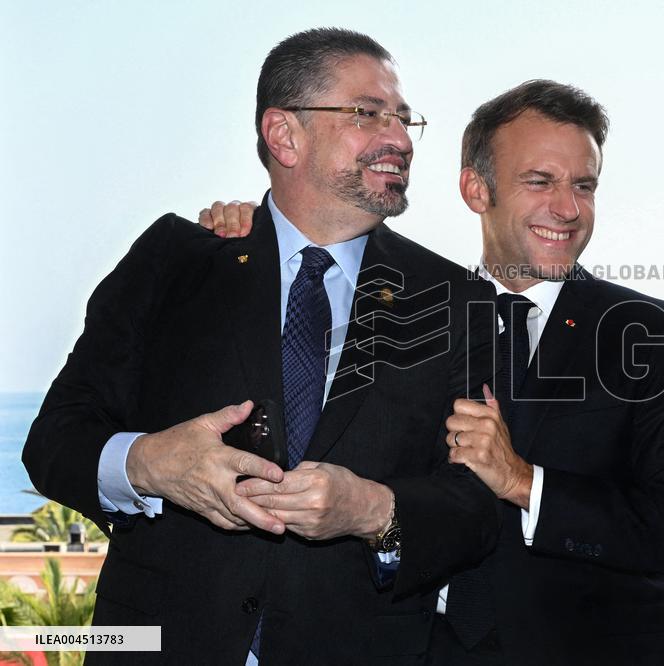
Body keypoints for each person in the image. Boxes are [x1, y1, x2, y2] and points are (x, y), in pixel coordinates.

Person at [203, 81, 664, 665]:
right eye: (540, 181)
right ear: (476, 188)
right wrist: (260, 235)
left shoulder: (646, 332)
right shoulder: (407, 307)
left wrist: (525, 483)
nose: (569, 208)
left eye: (584, 185)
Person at [22, 28, 498, 664]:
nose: (400, 139)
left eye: (403, 118)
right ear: (284, 134)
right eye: (367, 113)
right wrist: (148, 465)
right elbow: (54, 440)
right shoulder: (177, 259)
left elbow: (477, 508)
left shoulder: (455, 299)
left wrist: (374, 511)